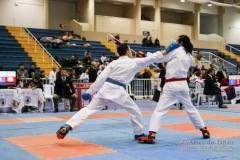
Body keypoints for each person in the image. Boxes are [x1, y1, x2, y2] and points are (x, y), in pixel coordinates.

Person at [56, 42, 179, 140]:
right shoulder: (134, 62)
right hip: (118, 93)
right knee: (134, 110)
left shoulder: (113, 63)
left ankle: (68, 125)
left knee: (87, 110)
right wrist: (168, 50)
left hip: (105, 90)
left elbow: (101, 77)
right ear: (127, 51)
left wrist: (90, 91)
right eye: (130, 50)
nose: (131, 51)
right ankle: (139, 134)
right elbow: (153, 58)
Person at [138, 35, 210, 144]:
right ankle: (204, 129)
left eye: (177, 40)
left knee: (160, 110)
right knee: (191, 108)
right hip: (182, 85)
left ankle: (152, 134)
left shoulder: (175, 51)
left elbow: (160, 58)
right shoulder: (190, 55)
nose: (175, 41)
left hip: (171, 85)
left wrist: (147, 55)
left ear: (180, 42)